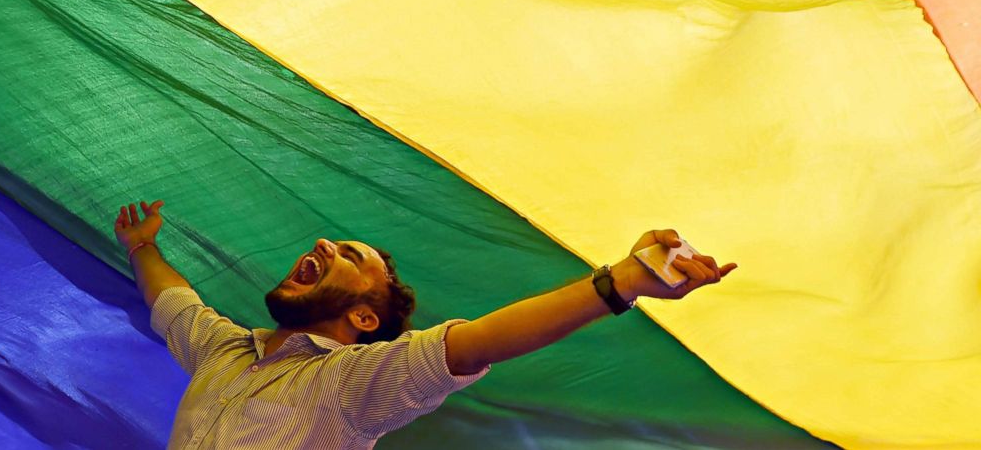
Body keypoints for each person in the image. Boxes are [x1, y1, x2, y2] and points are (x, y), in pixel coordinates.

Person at [114, 199, 736, 449]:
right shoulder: (226, 352)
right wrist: (142, 248)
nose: (326, 242)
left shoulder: (349, 382)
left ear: (363, 316)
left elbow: (478, 342)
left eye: (352, 258)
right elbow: (175, 302)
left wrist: (620, 283)